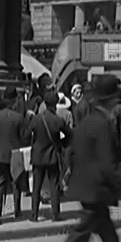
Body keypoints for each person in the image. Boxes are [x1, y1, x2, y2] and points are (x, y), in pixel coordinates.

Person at [41, 74, 121, 242]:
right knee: (79, 238)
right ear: (111, 100)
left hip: (88, 186)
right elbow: (106, 163)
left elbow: (75, 152)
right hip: (96, 188)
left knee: (109, 235)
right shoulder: (101, 124)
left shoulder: (87, 122)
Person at [28, 91, 73, 222]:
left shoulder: (36, 119)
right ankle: (55, 213)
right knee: (54, 185)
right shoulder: (58, 120)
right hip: (52, 155)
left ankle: (34, 214)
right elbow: (71, 135)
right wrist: (60, 144)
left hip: (37, 156)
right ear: (56, 104)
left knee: (36, 186)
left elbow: (26, 134)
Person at [0, 86, 28, 220]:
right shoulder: (19, 118)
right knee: (16, 183)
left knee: (0, 182)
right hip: (15, 154)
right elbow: (24, 137)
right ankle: (17, 210)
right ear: (14, 100)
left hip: (0, 153)